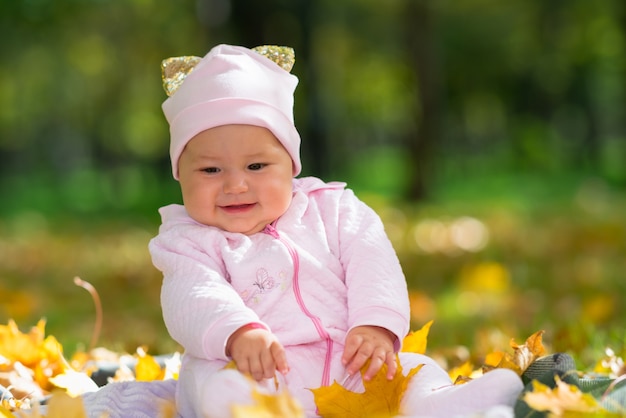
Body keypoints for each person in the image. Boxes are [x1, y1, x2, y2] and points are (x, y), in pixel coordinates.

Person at [149, 44, 523, 418]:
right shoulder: (188, 241)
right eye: (211, 171)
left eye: (257, 166)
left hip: (349, 365)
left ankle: (445, 406)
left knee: (410, 369)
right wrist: (238, 333)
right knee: (217, 384)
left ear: (291, 164)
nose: (235, 185)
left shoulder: (332, 209)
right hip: (259, 370)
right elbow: (192, 296)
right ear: (181, 174)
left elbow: (373, 260)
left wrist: (375, 324)